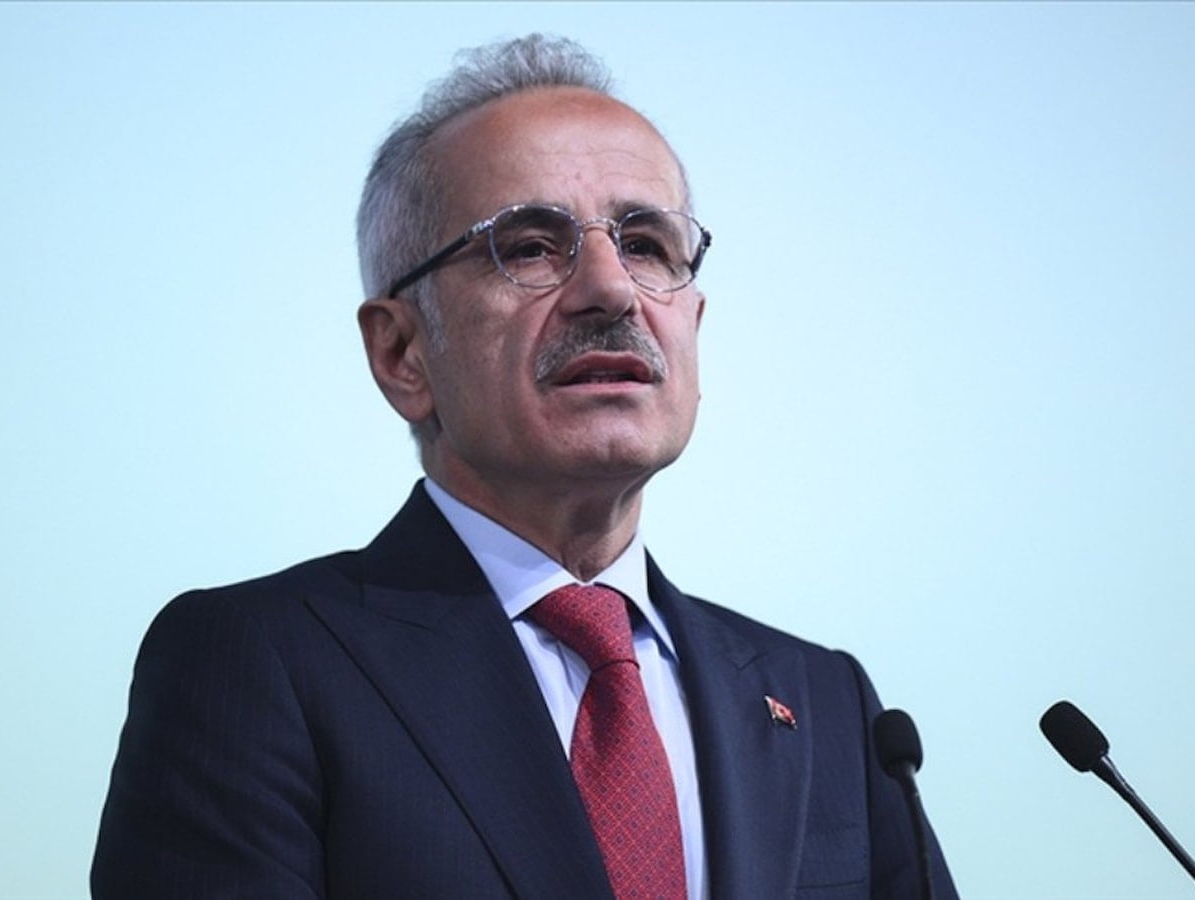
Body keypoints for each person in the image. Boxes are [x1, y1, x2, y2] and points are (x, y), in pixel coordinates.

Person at [92, 34, 958, 899]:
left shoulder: (829, 705)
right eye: (533, 246)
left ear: (694, 326)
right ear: (402, 354)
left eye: (646, 244)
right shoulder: (259, 664)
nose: (611, 290)